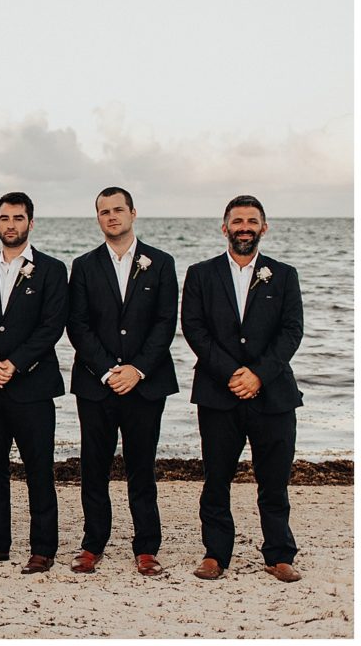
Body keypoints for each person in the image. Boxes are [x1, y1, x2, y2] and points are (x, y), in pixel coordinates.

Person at [181, 195, 304, 582]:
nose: (245, 227)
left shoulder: (284, 275)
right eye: (237, 221)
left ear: (264, 228)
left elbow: (291, 332)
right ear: (225, 228)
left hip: (273, 395)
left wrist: (258, 375)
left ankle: (279, 554)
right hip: (219, 394)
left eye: (252, 221)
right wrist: (233, 373)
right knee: (216, 479)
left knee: (274, 481)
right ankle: (215, 554)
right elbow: (194, 329)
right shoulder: (201, 274)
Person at [66, 186, 178, 576]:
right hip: (96, 384)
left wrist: (137, 369)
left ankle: (146, 548)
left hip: (145, 384)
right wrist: (108, 370)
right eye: (104, 212)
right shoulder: (83, 265)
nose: (111, 216)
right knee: (93, 467)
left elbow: (166, 323)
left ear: (133, 213)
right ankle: (93, 544)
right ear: (98, 218)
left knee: (142, 467)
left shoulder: (160, 263)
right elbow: (77, 325)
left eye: (118, 210)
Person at [0, 192, 67, 574]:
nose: (10, 225)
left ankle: (42, 548)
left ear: (31, 223)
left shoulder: (52, 270)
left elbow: (51, 326)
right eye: (4, 218)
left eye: (18, 218)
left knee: (39, 469)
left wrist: (15, 364)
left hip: (32, 388)